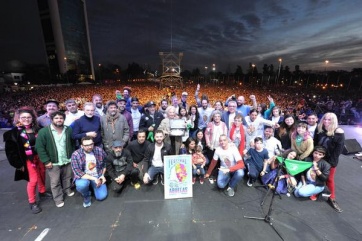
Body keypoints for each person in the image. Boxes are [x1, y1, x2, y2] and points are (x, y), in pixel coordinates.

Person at [3, 106, 51, 214]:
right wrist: (17, 164)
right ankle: (32, 202)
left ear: (32, 118)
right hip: (27, 160)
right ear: (18, 119)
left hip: (39, 157)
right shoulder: (13, 134)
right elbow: (10, 152)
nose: (26, 119)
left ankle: (42, 192)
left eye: (28, 117)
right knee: (33, 180)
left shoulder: (38, 129)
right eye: (23, 117)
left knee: (42, 175)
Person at [35, 111, 76, 208]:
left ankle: (67, 189)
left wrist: (72, 155)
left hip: (67, 159)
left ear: (64, 119)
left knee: (67, 177)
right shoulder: (44, 132)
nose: (59, 120)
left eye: (61, 118)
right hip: (53, 161)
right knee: (55, 181)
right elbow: (39, 147)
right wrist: (46, 161)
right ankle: (58, 198)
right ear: (52, 119)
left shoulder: (68, 129)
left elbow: (72, 142)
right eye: (56, 118)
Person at [314, 112, 345, 213]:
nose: (326, 121)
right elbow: (315, 143)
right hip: (319, 157)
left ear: (334, 121)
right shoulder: (320, 129)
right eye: (325, 119)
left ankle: (332, 198)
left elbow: (338, 150)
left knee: (329, 179)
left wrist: (330, 163)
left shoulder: (338, 132)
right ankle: (317, 191)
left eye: (329, 120)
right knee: (316, 174)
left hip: (330, 160)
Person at [71, 136, 108, 208]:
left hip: (97, 175)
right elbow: (77, 172)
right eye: (86, 145)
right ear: (81, 146)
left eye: (91, 144)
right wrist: (94, 179)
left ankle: (92, 187)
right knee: (82, 185)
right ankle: (86, 195)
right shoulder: (75, 155)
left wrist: (102, 175)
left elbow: (105, 163)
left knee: (101, 197)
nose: (90, 147)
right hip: (84, 177)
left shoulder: (99, 150)